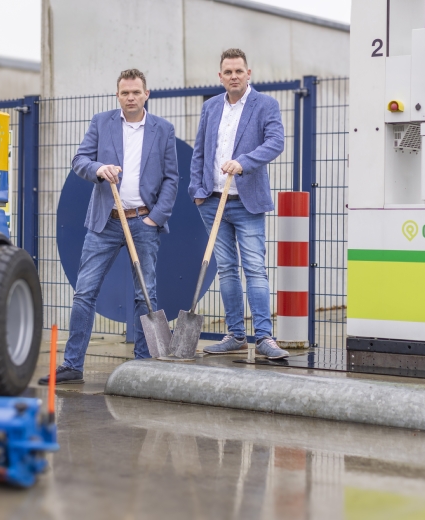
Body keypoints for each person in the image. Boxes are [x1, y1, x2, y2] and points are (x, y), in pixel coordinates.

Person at [40, 69, 178, 384]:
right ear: (118, 95)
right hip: (106, 221)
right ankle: (72, 365)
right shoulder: (101, 123)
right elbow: (79, 160)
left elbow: (171, 178)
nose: (130, 97)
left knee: (145, 295)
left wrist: (155, 217)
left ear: (146, 94)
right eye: (124, 93)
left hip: (143, 221)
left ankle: (142, 365)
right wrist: (99, 168)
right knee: (84, 292)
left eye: (136, 92)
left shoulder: (163, 129)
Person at [188, 48, 288, 359]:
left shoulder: (265, 105)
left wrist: (243, 162)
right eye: (228, 72)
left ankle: (265, 337)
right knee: (227, 269)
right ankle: (235, 335)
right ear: (220, 76)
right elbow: (200, 151)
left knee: (255, 269)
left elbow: (276, 142)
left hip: (247, 201)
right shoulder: (210, 107)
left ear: (248, 73)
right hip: (212, 201)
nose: (234, 76)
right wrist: (197, 190)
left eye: (239, 71)